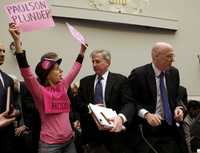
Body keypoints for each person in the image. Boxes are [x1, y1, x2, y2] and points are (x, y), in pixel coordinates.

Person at [9, 23, 87, 153]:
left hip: (69, 142)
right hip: (50, 146)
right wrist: (17, 41)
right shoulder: (39, 92)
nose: (61, 71)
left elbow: (74, 70)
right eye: (57, 69)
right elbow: (26, 72)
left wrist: (82, 52)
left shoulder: (63, 86)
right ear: (48, 74)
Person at [128, 42, 188, 153]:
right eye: (169, 56)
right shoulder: (139, 74)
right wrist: (146, 114)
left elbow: (176, 97)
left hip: (170, 128)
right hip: (147, 130)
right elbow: (130, 102)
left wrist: (179, 108)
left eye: (173, 56)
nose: (173, 59)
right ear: (155, 56)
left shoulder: (174, 73)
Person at [77, 49, 136, 153]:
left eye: (97, 61)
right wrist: (91, 108)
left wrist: (121, 117)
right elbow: (79, 104)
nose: (94, 64)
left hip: (114, 133)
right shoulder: (85, 82)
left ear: (108, 62)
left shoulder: (120, 80)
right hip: (92, 134)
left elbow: (129, 103)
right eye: (93, 62)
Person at [0, 42, 20, 153]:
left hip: (7, 137)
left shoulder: (8, 80)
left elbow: (16, 105)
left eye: (3, 51)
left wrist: (15, 112)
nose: (3, 54)